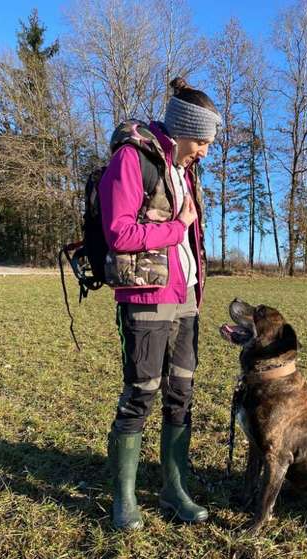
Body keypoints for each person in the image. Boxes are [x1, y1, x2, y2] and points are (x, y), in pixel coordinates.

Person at [99, 77, 221, 530]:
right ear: (184, 129)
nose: (206, 151)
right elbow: (120, 233)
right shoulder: (133, 160)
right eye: (204, 141)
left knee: (181, 395)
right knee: (140, 396)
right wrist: (177, 226)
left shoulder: (183, 171)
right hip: (147, 299)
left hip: (185, 297)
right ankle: (125, 498)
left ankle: (174, 489)